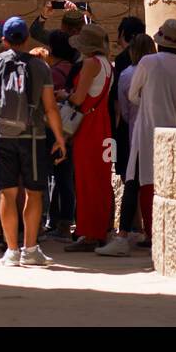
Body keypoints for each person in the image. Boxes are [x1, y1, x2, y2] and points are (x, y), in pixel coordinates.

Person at [0, 16, 67, 267]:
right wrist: (60, 138)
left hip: (2, 136)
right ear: (27, 38)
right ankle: (30, 248)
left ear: (3, 40)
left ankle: (11, 250)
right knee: (34, 193)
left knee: (7, 193)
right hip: (33, 136)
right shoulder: (40, 67)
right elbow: (50, 108)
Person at [124, 19, 176, 249]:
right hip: (170, 127)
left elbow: (132, 95)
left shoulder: (147, 62)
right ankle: (157, 231)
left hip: (145, 128)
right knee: (160, 180)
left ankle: (137, 232)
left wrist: (147, 99)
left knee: (139, 179)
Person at [97, 31, 155, 256]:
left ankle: (126, 233)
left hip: (134, 134)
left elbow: (124, 107)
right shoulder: (163, 71)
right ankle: (147, 231)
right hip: (160, 131)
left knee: (133, 183)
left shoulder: (127, 74)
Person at [64, 23, 114, 253]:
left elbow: (78, 98)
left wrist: (64, 95)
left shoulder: (90, 64)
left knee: (85, 179)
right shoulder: (107, 65)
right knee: (101, 179)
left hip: (89, 124)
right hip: (103, 122)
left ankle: (88, 232)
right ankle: (101, 229)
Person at [42, 30, 78, 241]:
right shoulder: (73, 69)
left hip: (52, 129)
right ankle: (63, 221)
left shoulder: (52, 73)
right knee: (65, 177)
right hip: (71, 128)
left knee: (51, 176)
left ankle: (54, 220)